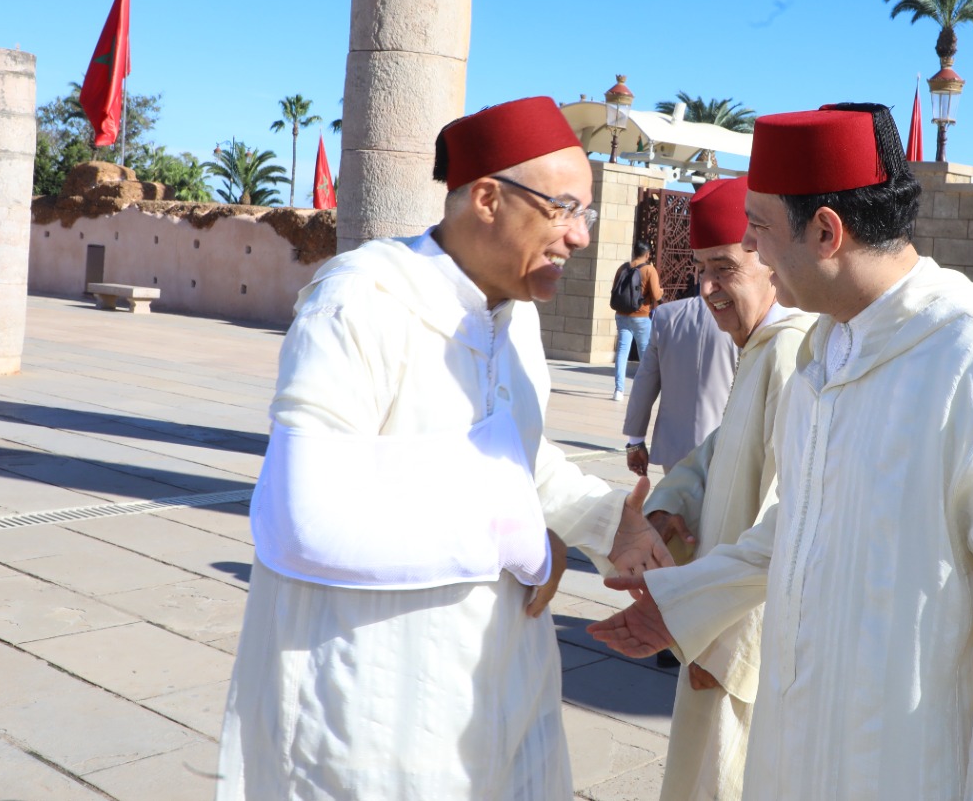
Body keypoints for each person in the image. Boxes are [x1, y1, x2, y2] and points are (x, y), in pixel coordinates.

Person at [588, 104, 973, 799]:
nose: (755, 248)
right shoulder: (823, 353)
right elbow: (792, 530)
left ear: (826, 231)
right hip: (795, 751)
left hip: (903, 767)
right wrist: (679, 602)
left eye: (760, 227)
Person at [216, 96, 672, 801]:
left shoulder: (515, 317)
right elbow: (300, 523)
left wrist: (609, 523)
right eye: (563, 209)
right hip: (377, 692)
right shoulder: (362, 301)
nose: (581, 237)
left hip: (503, 681)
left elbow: (517, 458)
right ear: (487, 198)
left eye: (587, 213)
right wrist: (523, 544)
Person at [641, 176, 814, 801]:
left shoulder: (791, 352)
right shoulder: (759, 346)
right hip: (714, 623)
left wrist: (725, 649)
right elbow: (717, 453)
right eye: (700, 270)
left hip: (741, 648)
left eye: (725, 269)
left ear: (767, 261)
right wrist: (669, 507)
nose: (708, 288)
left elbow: (781, 517)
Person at [622, 294, 737, 478]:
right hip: (728, 447)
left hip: (675, 448)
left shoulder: (666, 315)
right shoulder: (745, 318)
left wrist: (635, 441)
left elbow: (644, 382)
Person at [612, 243, 662, 401]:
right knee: (645, 354)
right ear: (647, 255)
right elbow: (656, 295)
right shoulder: (649, 270)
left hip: (622, 315)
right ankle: (643, 389)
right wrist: (661, 292)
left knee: (622, 352)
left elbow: (615, 290)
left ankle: (618, 390)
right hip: (641, 317)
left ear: (634, 252)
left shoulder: (622, 268)